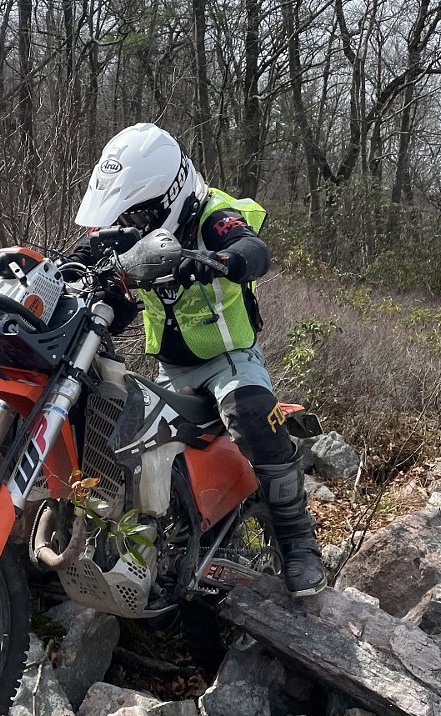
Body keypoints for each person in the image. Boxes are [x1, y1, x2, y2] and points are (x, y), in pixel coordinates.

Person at [72, 122, 326, 597]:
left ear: (168, 195)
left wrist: (216, 259)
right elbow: (93, 262)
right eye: (128, 212)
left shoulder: (213, 214)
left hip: (229, 360)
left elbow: (252, 248)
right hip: (171, 368)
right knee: (118, 431)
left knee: (251, 416)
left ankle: (298, 544)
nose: (133, 223)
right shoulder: (133, 230)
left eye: (141, 211)